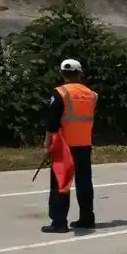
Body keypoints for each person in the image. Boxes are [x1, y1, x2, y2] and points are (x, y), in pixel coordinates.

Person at [42, 59, 98, 233]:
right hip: (84, 144)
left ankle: (59, 222)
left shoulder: (60, 92)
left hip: (64, 145)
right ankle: (87, 218)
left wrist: (47, 146)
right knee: (84, 183)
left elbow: (52, 123)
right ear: (80, 73)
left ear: (62, 73)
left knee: (60, 183)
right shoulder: (92, 95)